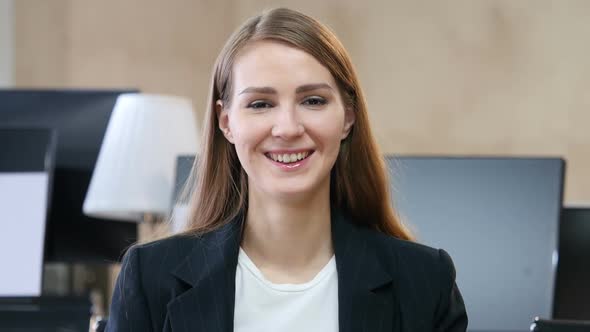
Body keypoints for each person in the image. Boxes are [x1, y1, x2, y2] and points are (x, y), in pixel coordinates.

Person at [106, 7, 467, 332]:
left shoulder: (425, 281)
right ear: (226, 122)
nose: (288, 127)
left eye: (313, 100)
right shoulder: (149, 278)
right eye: (261, 104)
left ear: (348, 118)